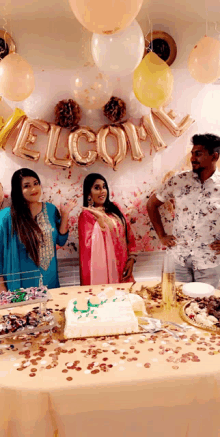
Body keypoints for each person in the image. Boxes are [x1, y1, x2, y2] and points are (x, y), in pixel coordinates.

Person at [147, 133, 220, 288]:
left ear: (214, 156)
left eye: (198, 154)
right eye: (192, 153)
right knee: (175, 305)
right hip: (177, 259)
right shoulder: (179, 181)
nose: (192, 158)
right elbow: (152, 204)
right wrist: (162, 236)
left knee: (206, 308)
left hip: (209, 263)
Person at [0, 168, 76, 291]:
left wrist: (65, 215)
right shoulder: (7, 217)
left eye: (36, 183)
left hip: (50, 280)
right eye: (27, 186)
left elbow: (60, 241)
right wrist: (1, 287)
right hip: (22, 285)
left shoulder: (51, 210)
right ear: (18, 190)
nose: (34, 189)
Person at [78, 173, 137, 285]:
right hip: (105, 272)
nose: (102, 191)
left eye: (104, 187)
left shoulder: (115, 208)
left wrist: (132, 259)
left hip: (124, 268)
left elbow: (129, 233)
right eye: (97, 188)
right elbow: (88, 253)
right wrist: (100, 223)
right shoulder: (86, 215)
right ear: (89, 193)